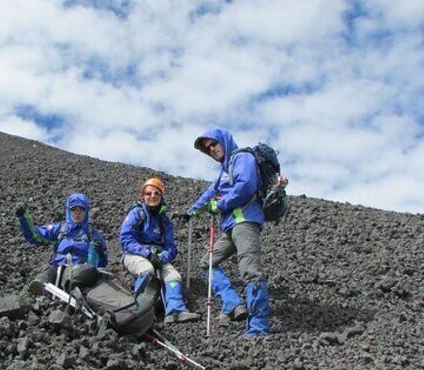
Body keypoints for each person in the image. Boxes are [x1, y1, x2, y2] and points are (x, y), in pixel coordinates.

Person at [183, 128, 270, 338]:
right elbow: (210, 194)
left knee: (251, 270)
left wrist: (221, 205)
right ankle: (232, 302)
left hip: (245, 221)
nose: (212, 150)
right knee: (208, 262)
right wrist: (192, 211)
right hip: (231, 226)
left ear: (223, 140)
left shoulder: (242, 157)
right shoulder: (225, 169)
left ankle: (258, 328)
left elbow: (246, 185)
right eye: (208, 148)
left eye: (214, 144)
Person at [120, 178, 200, 324]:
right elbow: (126, 240)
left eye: (157, 193)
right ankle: (138, 309)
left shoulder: (164, 221)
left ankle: (175, 311)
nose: (152, 196)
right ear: (142, 196)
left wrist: (162, 257)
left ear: (161, 196)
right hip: (135, 254)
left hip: (158, 256)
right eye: (148, 193)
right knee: (147, 269)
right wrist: (147, 254)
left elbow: (171, 247)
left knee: (173, 276)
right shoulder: (137, 214)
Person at [15, 193, 108, 291]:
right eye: (73, 209)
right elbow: (36, 235)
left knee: (82, 274)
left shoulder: (92, 233)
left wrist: (101, 254)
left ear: (86, 211)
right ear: (68, 210)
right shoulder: (59, 228)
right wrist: (24, 217)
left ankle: (67, 286)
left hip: (79, 269)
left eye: (81, 209)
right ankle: (40, 285)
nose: (77, 213)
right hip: (57, 267)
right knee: (47, 271)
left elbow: (102, 263)